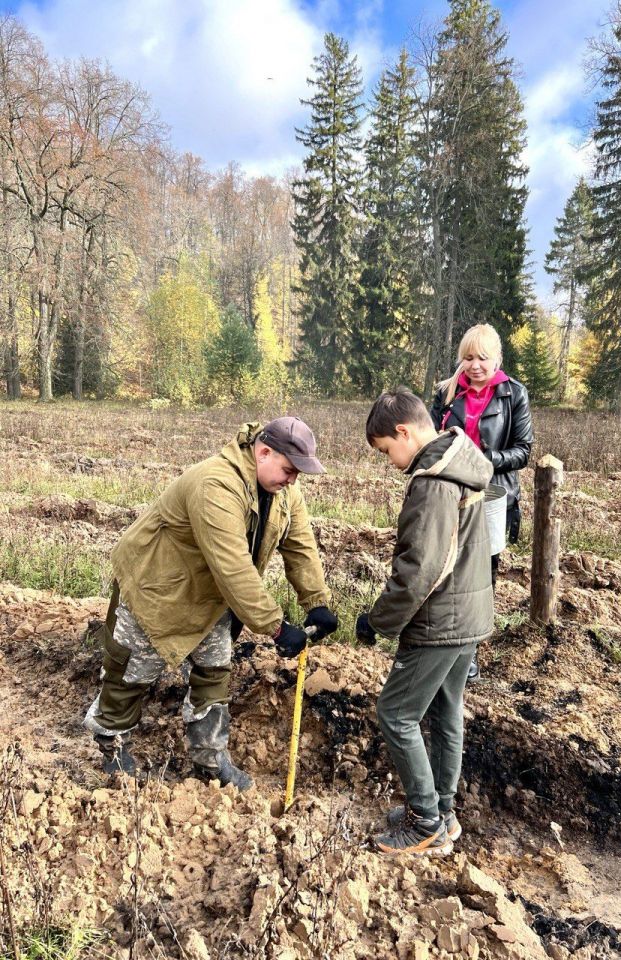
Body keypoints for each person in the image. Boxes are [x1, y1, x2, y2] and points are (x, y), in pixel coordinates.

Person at [84, 417, 338, 788]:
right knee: (130, 673)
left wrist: (317, 602)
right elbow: (232, 566)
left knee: (213, 673)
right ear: (263, 452)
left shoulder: (284, 493)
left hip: (211, 596)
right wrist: (276, 626)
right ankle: (112, 742)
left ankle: (210, 760)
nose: (293, 480)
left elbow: (300, 547)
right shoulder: (215, 484)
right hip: (156, 589)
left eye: (298, 474)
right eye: (288, 470)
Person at [355, 388, 494, 856]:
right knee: (445, 710)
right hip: (469, 614)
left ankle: (425, 822)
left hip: (440, 621)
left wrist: (378, 620)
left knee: (396, 713)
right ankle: (443, 811)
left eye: (385, 450)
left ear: (404, 432)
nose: (389, 462)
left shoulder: (433, 481)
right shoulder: (463, 463)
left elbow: (421, 569)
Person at [430, 323, 533, 682]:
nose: (474, 365)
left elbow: (523, 451)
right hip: (448, 493)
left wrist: (486, 462)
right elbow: (430, 439)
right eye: (468, 357)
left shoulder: (513, 394)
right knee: (443, 568)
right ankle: (440, 643)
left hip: (490, 496)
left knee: (480, 577)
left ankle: (467, 654)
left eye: (483, 358)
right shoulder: (445, 392)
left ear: (497, 359)